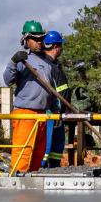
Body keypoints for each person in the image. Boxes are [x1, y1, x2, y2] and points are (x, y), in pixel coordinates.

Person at [2, 20, 56, 174]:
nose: (39, 42)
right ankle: (19, 190)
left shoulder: (46, 62)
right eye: (35, 39)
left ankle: (32, 189)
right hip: (25, 113)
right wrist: (13, 61)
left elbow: (49, 89)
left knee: (38, 155)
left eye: (41, 38)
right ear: (26, 40)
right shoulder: (23, 59)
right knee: (23, 154)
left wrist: (53, 108)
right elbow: (7, 80)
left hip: (42, 115)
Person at [41, 30, 68, 168]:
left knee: (57, 148)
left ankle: (55, 169)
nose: (62, 49)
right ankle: (41, 169)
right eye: (61, 46)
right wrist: (57, 111)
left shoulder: (54, 65)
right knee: (47, 147)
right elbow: (56, 93)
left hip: (58, 114)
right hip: (52, 114)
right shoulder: (48, 67)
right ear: (56, 46)